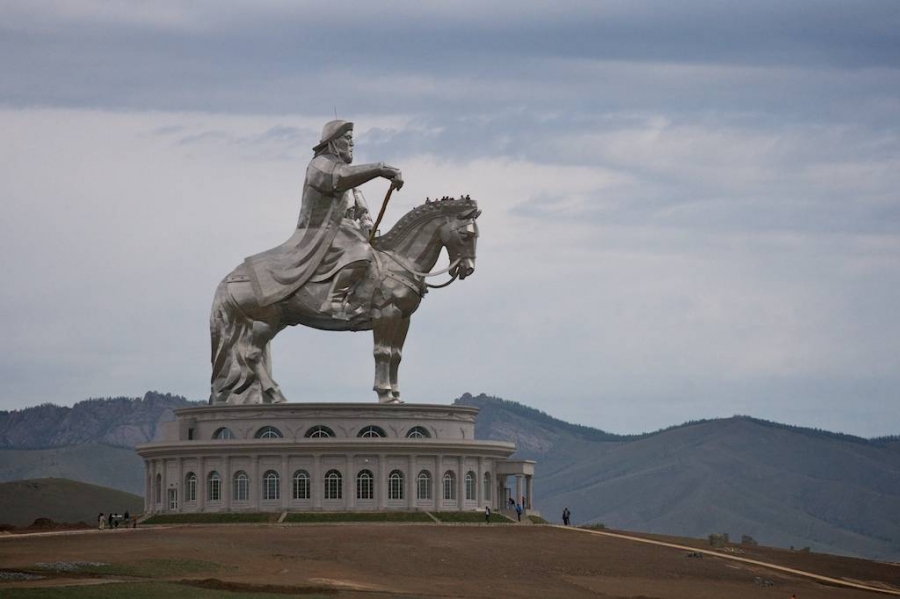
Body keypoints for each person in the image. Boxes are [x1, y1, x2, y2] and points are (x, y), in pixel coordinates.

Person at [244, 120, 404, 318]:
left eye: (352, 139)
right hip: (323, 230)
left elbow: (361, 209)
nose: (352, 144)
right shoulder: (320, 165)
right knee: (360, 252)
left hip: (348, 229)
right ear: (334, 142)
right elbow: (341, 177)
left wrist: (367, 224)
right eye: (347, 139)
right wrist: (380, 169)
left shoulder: (351, 181)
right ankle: (334, 301)